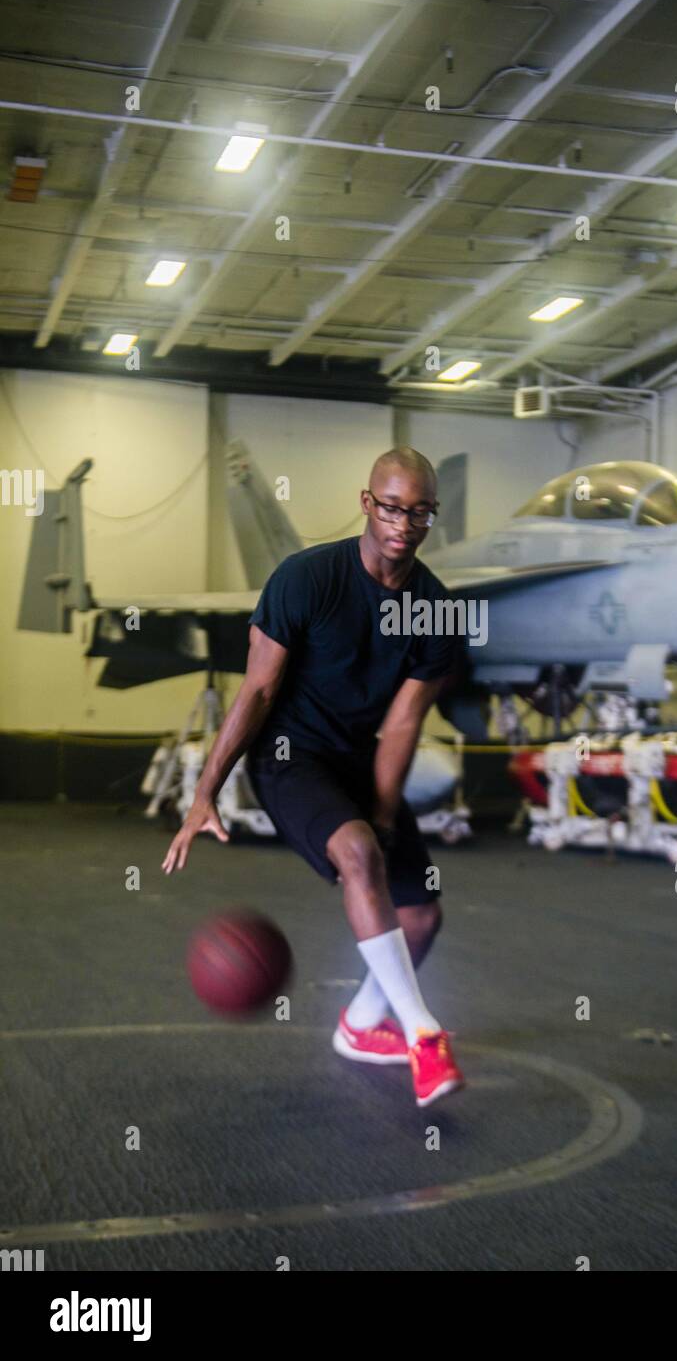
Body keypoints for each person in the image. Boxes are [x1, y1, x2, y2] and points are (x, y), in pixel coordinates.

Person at [162, 448, 464, 1108]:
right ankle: (421, 1033)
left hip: (359, 760)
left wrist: (385, 812)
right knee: (355, 852)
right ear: (366, 503)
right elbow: (258, 693)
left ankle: (359, 1027)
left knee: (420, 915)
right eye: (390, 507)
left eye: (419, 512)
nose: (403, 523)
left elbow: (404, 722)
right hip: (290, 756)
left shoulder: (435, 608)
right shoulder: (305, 579)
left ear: (429, 516)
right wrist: (205, 792)